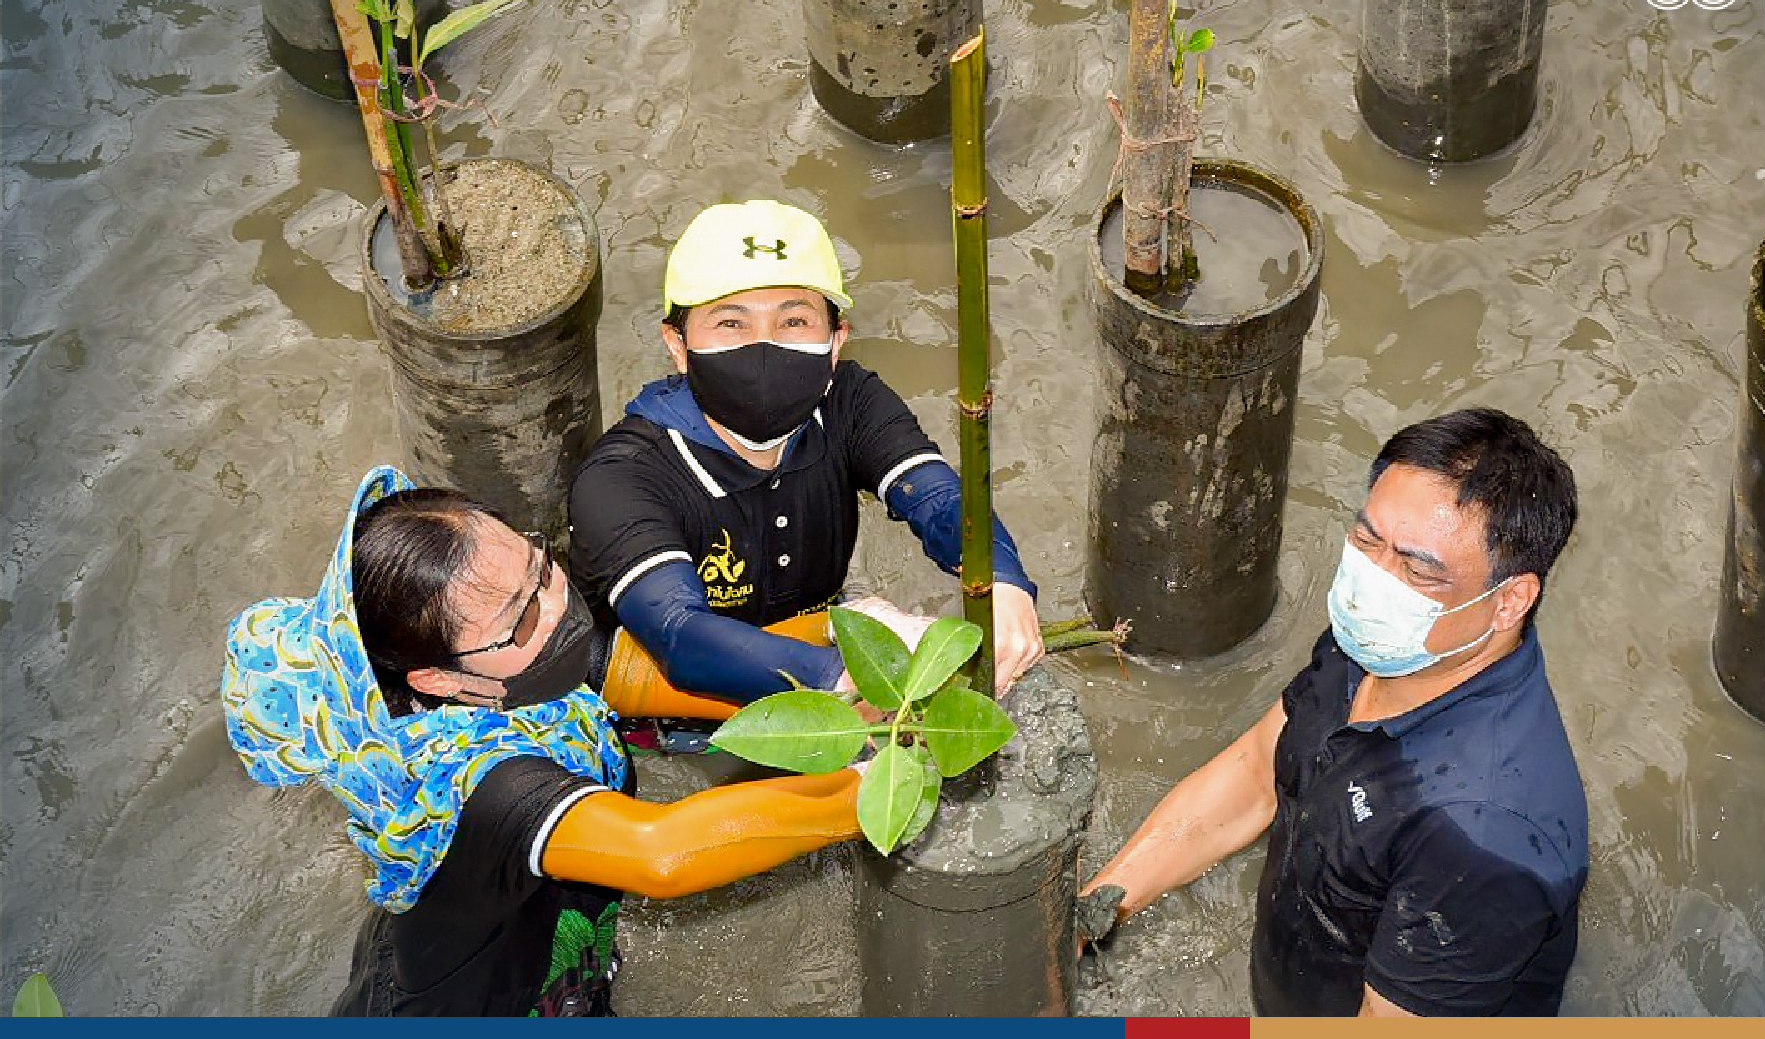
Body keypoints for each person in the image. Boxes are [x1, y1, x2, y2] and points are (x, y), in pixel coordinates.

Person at [221, 467, 863, 1016]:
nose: (555, 607)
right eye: (521, 617)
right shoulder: (482, 786)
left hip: (542, 964)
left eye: (541, 567)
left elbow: (667, 674)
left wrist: (851, 644)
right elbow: (662, 853)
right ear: (439, 679)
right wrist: (867, 788)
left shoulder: (515, 665)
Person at [1082, 408, 1588, 1016]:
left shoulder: (1482, 835)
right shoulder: (1384, 642)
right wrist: (1097, 908)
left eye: (1418, 569)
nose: (1370, 582)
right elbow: (1253, 774)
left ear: (1509, 601)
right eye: (1367, 539)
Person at [567, 199, 1043, 707]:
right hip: (666, 697)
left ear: (836, 341)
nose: (763, 346)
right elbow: (679, 634)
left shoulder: (848, 402)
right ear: (677, 344)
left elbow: (938, 497)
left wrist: (1003, 582)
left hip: (817, 641)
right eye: (731, 324)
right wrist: (845, 679)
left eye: (794, 322)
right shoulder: (622, 476)